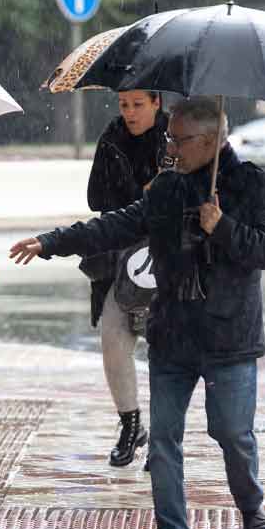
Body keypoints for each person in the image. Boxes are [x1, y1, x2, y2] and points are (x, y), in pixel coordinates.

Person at [10, 96, 265, 529]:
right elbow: (115, 226)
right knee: (162, 442)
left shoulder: (249, 184)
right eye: (169, 138)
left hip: (229, 338)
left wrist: (223, 227)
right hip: (173, 335)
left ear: (209, 142)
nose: (170, 148)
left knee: (231, 434)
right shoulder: (166, 188)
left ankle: (251, 506)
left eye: (178, 140)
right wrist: (51, 242)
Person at [82, 90, 168, 467]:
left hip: (167, 258)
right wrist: (139, 195)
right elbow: (94, 198)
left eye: (138, 105)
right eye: (124, 105)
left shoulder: (175, 137)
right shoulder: (111, 139)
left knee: (166, 350)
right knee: (114, 342)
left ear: (156, 103)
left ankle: (164, 436)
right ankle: (130, 424)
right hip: (118, 256)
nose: (129, 113)